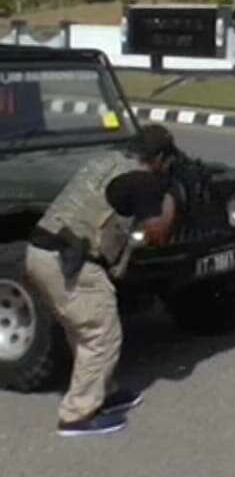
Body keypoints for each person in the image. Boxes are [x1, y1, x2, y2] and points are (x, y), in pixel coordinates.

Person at [25, 125, 179, 436]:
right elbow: (157, 233)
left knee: (84, 328)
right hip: (72, 263)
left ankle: (104, 393)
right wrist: (172, 198)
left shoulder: (105, 162)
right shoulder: (142, 180)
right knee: (101, 336)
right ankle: (77, 416)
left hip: (41, 253)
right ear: (160, 158)